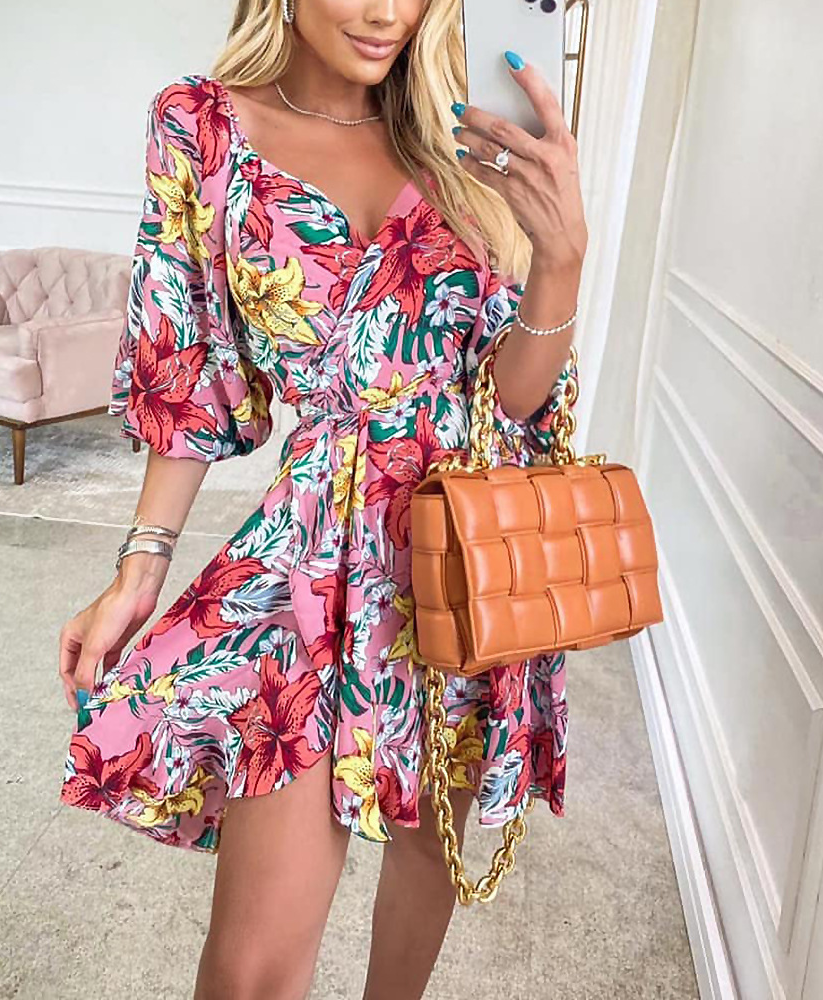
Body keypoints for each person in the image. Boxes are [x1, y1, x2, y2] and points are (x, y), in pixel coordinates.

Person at [57, 1, 588, 997]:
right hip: (311, 557)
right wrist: (141, 563)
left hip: (462, 552)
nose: (388, 12)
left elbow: (513, 398)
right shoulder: (202, 126)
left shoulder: (466, 135)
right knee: (251, 965)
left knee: (427, 849)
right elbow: (187, 369)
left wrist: (559, 260)